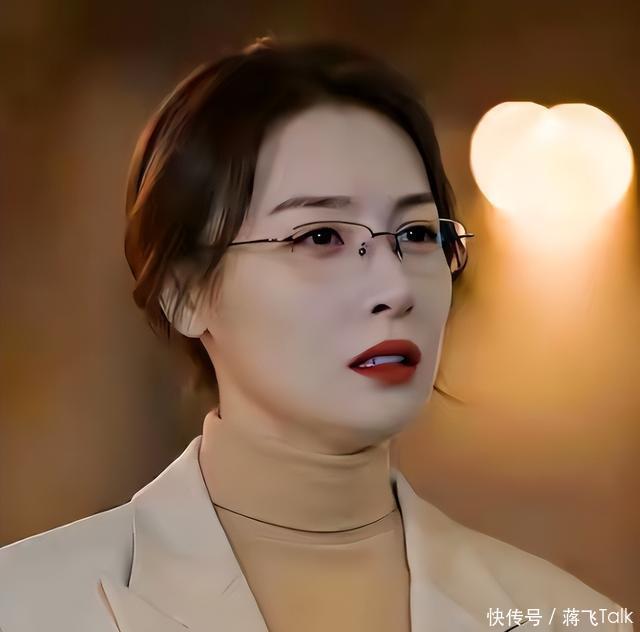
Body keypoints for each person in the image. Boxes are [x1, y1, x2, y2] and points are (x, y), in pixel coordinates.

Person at [0, 36, 632, 632]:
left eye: (416, 234)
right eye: (321, 236)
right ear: (184, 292)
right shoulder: (30, 604)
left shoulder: (565, 616)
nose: (395, 286)